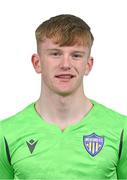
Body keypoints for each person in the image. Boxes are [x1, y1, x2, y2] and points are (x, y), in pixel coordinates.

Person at [0, 14, 127, 179]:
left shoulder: (122, 130)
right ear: (37, 63)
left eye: (76, 55)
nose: (65, 65)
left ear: (88, 65)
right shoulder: (6, 133)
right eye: (55, 54)